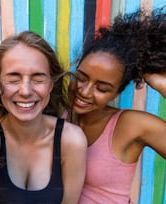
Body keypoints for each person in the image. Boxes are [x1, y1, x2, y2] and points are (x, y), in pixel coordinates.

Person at [0, 31, 87, 204]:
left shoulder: (70, 139)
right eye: (13, 79)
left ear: (51, 84)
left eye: (38, 79)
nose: (25, 91)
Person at [68, 10, 166, 204]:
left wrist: (163, 86)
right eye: (81, 78)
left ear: (117, 93)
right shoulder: (59, 117)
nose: (85, 92)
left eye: (102, 88)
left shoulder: (130, 125)